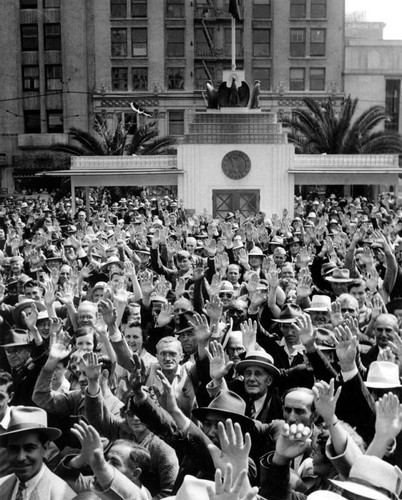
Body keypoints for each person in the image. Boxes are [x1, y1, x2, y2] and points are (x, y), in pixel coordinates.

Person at [0, 406, 76, 500]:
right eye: (14, 449)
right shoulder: (2, 485)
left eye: (29, 448)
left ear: (45, 449)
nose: (20, 457)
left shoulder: (62, 495)